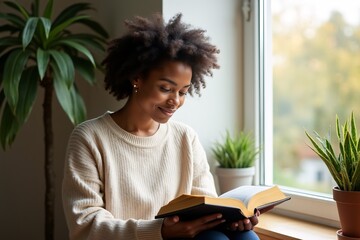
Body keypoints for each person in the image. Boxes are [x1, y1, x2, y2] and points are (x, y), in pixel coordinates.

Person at [62, 13, 260, 240]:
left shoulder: (186, 138)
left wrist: (235, 220)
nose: (175, 100)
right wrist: (160, 231)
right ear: (137, 78)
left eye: (183, 92)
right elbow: (84, 224)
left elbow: (207, 205)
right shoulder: (90, 137)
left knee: (246, 237)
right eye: (166, 88)